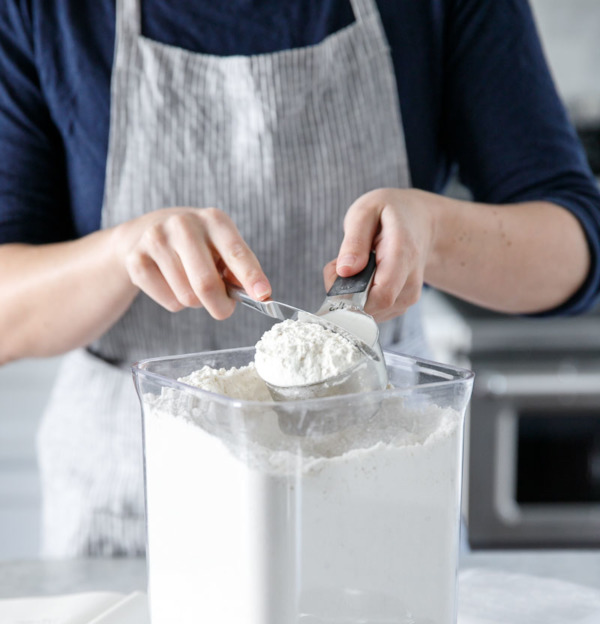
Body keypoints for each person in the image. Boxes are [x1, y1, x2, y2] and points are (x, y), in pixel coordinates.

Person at [0, 0, 599, 557]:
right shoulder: (46, 13)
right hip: (138, 524)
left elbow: (575, 252)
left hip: (376, 509)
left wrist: (436, 233)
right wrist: (118, 255)